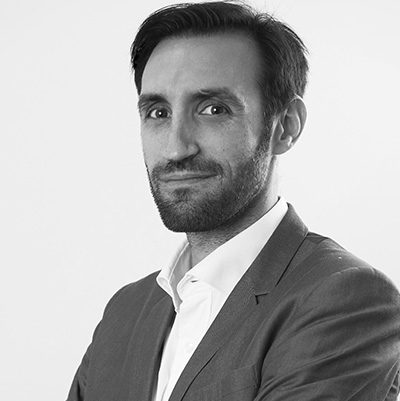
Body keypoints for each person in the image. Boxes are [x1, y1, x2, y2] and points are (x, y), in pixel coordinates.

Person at [67, 1, 400, 400]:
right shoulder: (124, 313)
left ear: (286, 126)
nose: (175, 148)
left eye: (213, 109)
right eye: (158, 112)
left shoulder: (345, 299)